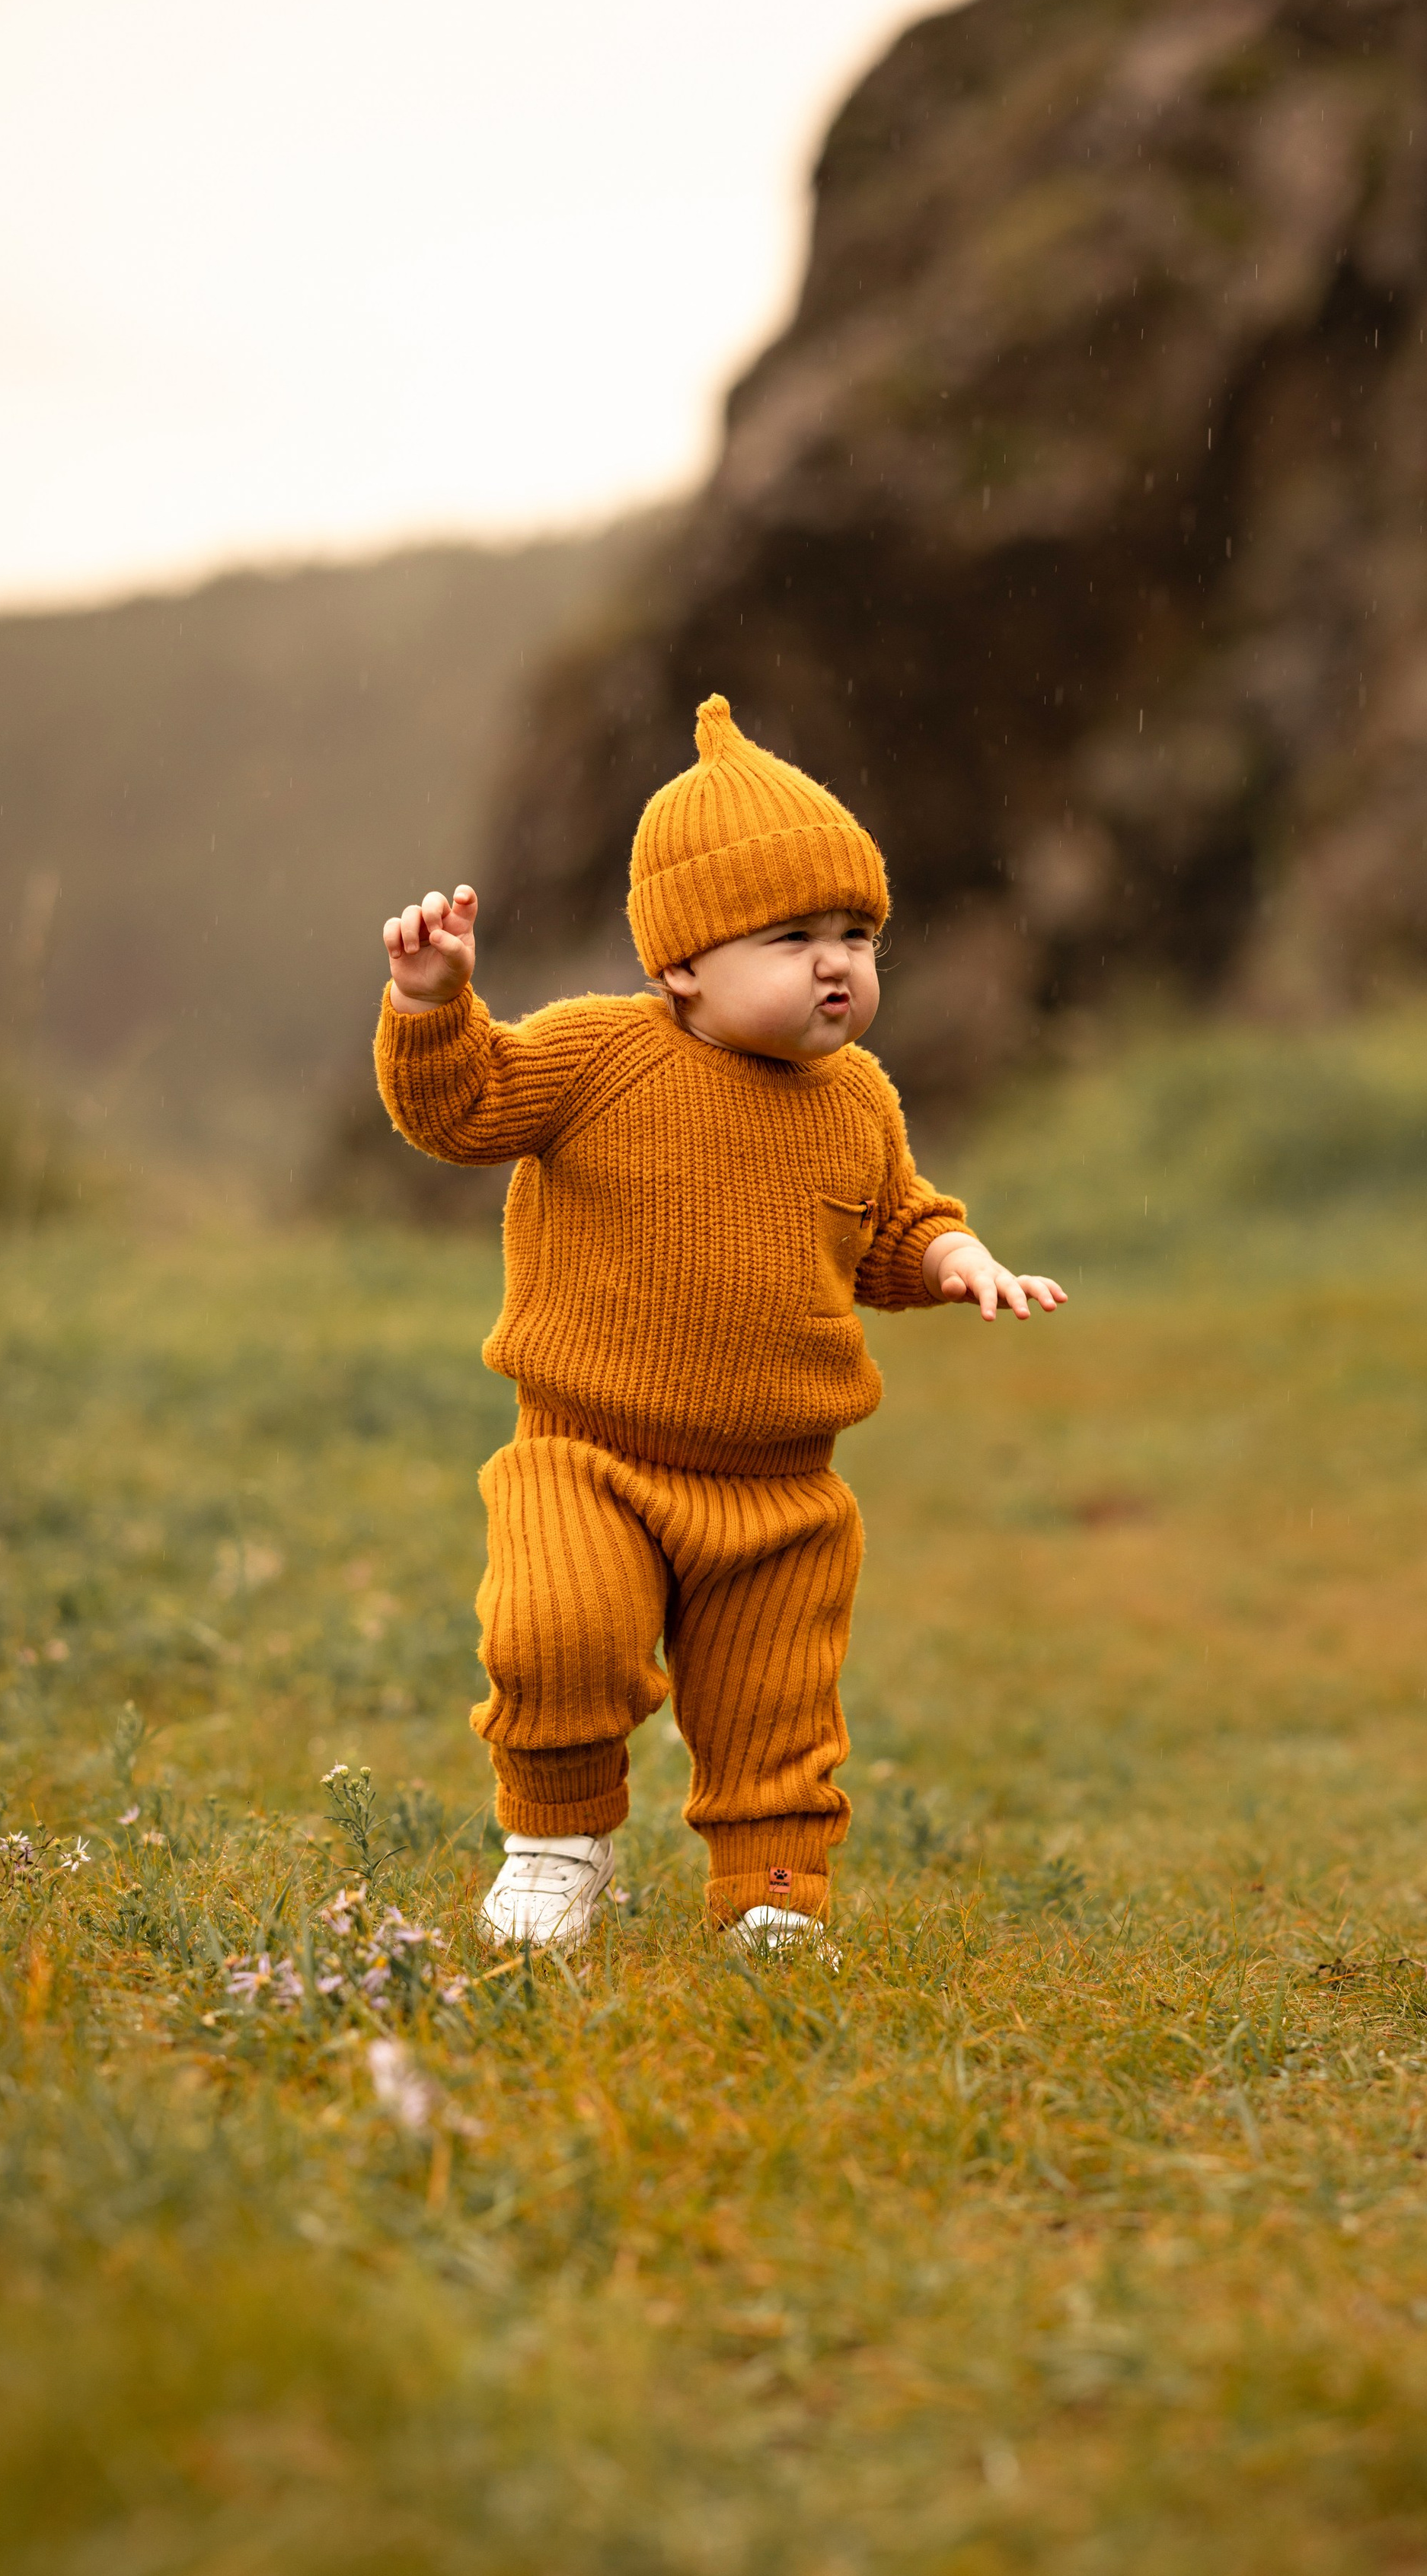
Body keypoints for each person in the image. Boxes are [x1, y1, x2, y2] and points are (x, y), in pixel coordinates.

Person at [375, 693, 1065, 1958]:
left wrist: (961, 1258)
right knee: (555, 1629)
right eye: (794, 933)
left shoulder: (856, 1096)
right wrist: (433, 1008)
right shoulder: (597, 1054)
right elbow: (461, 1109)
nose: (837, 963)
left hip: (780, 1485)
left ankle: (772, 1897)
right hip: (589, 1452)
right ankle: (555, 1849)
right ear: (682, 961)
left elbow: (893, 1223)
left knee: (775, 1707)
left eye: (860, 933)